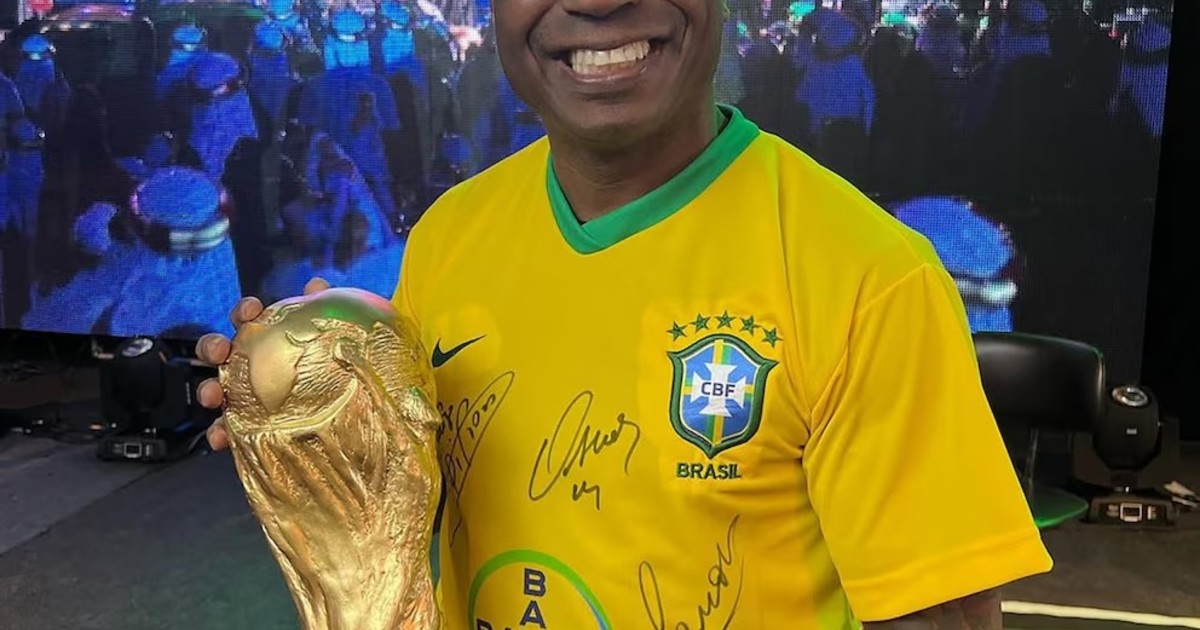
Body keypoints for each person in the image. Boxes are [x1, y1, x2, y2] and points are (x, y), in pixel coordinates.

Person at [197, 0, 1052, 627]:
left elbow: (939, 616)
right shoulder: (450, 237)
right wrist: (318, 420)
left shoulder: (868, 275)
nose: (597, 4)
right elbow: (423, 497)